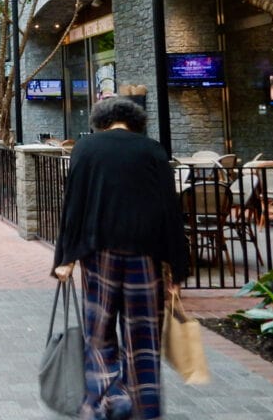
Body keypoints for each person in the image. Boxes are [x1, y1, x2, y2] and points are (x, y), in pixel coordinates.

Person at [53, 96, 189, 420]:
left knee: (99, 332)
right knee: (143, 337)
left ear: (100, 121)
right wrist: (177, 272)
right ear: (136, 122)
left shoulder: (86, 150)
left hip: (99, 254)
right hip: (146, 255)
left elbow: (74, 206)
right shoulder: (153, 151)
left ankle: (104, 401)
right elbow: (170, 212)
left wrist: (65, 259)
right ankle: (143, 407)